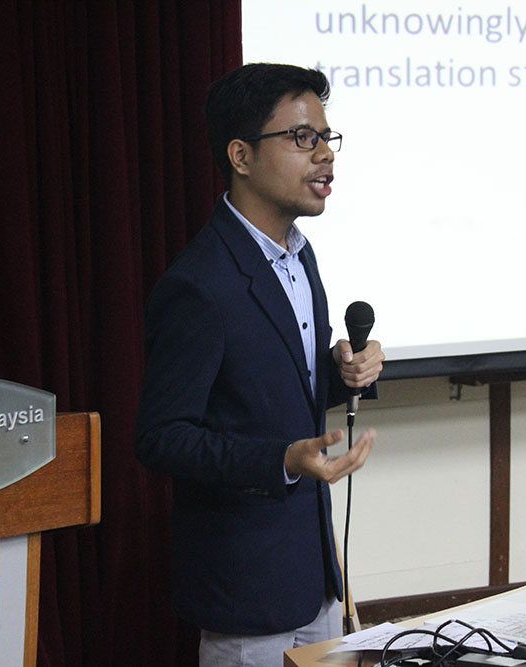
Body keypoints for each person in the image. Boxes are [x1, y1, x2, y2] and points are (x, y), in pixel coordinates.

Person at [135, 63, 385, 667]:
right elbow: (161, 438)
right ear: (241, 156)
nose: (325, 155)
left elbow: (278, 386)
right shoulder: (199, 284)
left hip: (314, 575)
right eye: (303, 138)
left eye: (327, 137)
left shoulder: (300, 256)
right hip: (244, 589)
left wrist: (345, 372)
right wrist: (281, 460)